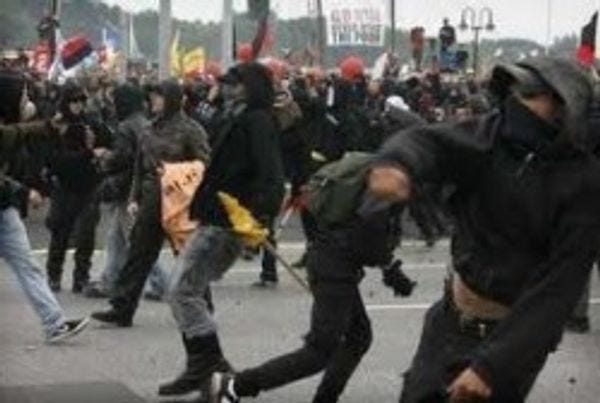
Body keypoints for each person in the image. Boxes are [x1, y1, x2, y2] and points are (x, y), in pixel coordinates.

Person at [368, 57, 600, 402]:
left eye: (531, 95)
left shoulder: (584, 183)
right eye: (517, 92)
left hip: (509, 343)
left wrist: (491, 367)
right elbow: (430, 141)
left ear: (563, 110)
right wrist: (396, 163)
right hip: (449, 320)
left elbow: (557, 289)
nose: (518, 103)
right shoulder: (494, 134)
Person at [207, 170, 414, 403]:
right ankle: (235, 386)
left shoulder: (380, 173)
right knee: (319, 351)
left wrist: (387, 265)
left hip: (332, 261)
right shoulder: (393, 180)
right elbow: (369, 234)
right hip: (334, 270)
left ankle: (325, 398)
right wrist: (389, 267)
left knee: (358, 336)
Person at [158, 62, 285, 397]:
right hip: (214, 214)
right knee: (187, 290)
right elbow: (209, 132)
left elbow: (271, 174)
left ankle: (208, 366)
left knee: (182, 290)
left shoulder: (258, 120)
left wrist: (259, 218)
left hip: (229, 219)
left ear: (251, 87)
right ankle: (204, 367)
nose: (228, 88)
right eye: (226, 83)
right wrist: (210, 101)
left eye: (235, 84)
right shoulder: (236, 115)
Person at [91, 79, 210, 327]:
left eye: (159, 96)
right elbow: (139, 167)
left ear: (172, 100)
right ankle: (122, 308)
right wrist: (134, 197)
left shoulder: (191, 129)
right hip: (151, 198)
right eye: (153, 95)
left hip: (178, 200)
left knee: (188, 257)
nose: (153, 100)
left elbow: (204, 165)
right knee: (138, 254)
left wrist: (177, 175)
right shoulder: (148, 129)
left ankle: (202, 307)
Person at [0, 69, 89, 343]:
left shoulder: (12, 127)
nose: (27, 100)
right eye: (23, 94)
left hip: (5, 210)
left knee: (28, 266)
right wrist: (23, 191)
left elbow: (19, 133)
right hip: (7, 202)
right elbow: (13, 134)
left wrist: (49, 126)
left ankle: (55, 324)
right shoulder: (7, 131)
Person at [85, 82, 169, 300]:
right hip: (142, 186)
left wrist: (104, 157)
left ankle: (161, 283)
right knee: (117, 238)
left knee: (136, 240)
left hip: (128, 190)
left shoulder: (125, 127)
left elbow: (122, 158)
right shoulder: (145, 123)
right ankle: (110, 280)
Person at [45, 82, 102, 293]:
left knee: (86, 235)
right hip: (65, 187)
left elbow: (106, 143)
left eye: (81, 100)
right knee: (60, 233)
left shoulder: (90, 122)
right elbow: (56, 160)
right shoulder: (57, 125)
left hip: (88, 186)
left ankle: (81, 277)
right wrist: (88, 152)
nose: (78, 105)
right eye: (73, 101)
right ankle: (54, 276)